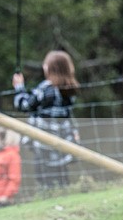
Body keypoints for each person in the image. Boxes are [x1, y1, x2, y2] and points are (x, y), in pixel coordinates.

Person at [12, 50, 80, 189]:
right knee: (61, 175)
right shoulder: (70, 90)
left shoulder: (45, 89)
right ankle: (62, 193)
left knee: (44, 177)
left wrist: (19, 88)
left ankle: (47, 195)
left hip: (43, 141)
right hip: (63, 140)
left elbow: (25, 105)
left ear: (49, 68)